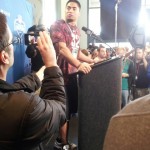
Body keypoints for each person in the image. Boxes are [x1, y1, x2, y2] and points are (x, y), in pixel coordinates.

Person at [0, 12, 66, 150]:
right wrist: (52, 64)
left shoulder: (9, 100)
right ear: (4, 57)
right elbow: (59, 109)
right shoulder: (27, 107)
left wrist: (40, 74)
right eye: (12, 42)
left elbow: (9, 90)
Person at [50, 0, 95, 149]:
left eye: (74, 8)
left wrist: (92, 61)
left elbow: (76, 53)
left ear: (78, 13)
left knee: (69, 112)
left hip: (72, 77)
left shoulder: (76, 31)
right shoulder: (58, 25)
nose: (70, 10)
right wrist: (79, 65)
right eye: (68, 8)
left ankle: (62, 140)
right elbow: (63, 50)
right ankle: (62, 143)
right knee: (64, 111)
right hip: (60, 77)